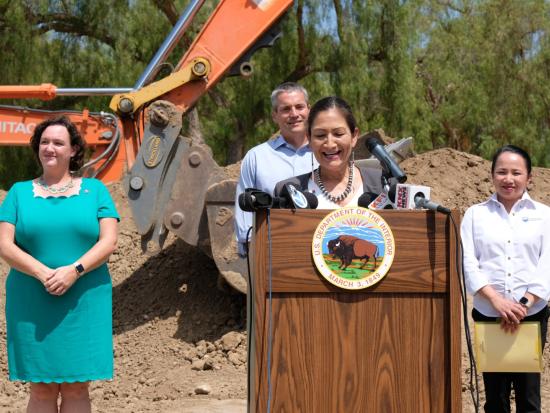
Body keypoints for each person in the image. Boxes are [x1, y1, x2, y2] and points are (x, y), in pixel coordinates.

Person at [0, 116, 119, 413]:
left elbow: (108, 242)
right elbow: (4, 244)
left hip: (84, 298)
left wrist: (73, 271)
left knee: (78, 387)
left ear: (74, 150)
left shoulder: (96, 191)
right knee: (40, 388)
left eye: (58, 142)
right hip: (32, 298)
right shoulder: (18, 193)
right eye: (44, 142)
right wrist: (43, 274)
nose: (49, 148)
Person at [461, 145, 550, 413]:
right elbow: (468, 262)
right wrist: (497, 302)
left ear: (529, 177)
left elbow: (547, 264)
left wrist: (523, 304)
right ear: (491, 175)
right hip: (490, 314)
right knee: (496, 398)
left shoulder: (544, 215)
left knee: (529, 398)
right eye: (501, 172)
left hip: (531, 315)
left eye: (516, 172)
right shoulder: (475, 215)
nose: (508, 179)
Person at [234, 82, 315, 255]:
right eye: (286, 109)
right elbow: (245, 212)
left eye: (299, 107)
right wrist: (252, 253)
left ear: (309, 109)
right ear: (274, 116)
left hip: (322, 247)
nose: (294, 114)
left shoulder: (327, 154)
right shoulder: (257, 157)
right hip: (273, 253)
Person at [274, 96, 383, 206]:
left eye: (338, 134)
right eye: (320, 135)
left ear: (354, 137)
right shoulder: (287, 192)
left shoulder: (382, 184)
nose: (330, 144)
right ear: (309, 139)